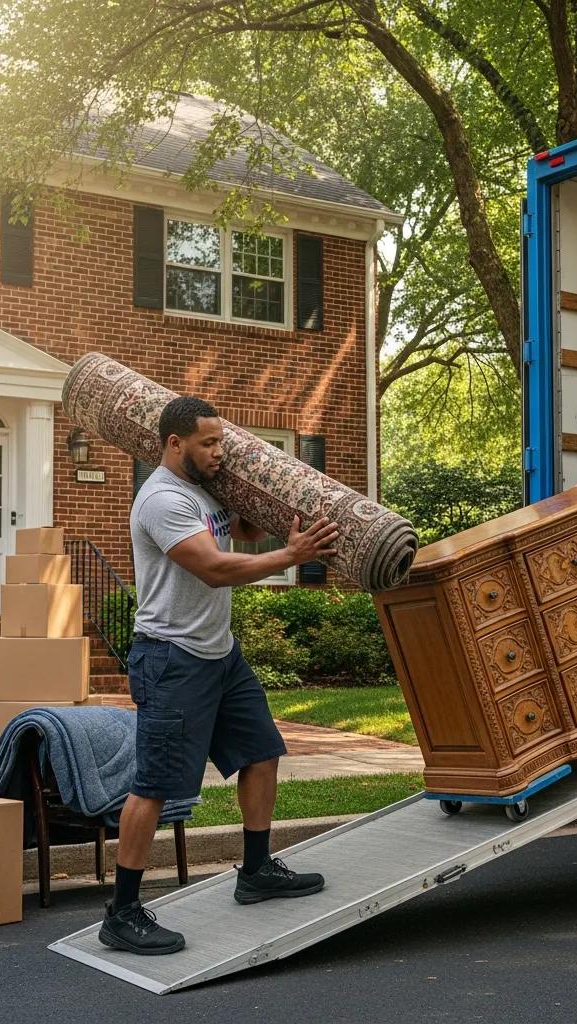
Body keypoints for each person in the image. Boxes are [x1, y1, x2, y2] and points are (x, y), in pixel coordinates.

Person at [99, 396, 340, 956]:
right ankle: (122, 911)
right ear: (174, 443)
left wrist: (262, 510)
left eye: (220, 442)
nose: (218, 452)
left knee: (262, 751)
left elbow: (243, 537)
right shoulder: (161, 499)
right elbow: (213, 568)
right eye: (208, 443)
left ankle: (255, 870)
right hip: (171, 657)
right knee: (156, 785)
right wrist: (293, 555)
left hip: (219, 653)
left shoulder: (206, 488)